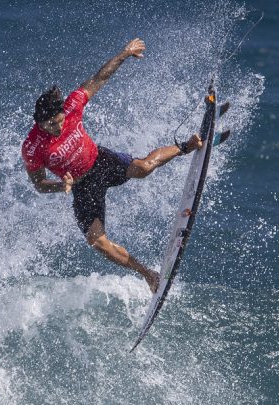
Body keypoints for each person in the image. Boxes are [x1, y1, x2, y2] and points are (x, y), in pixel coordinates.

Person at [21, 38, 202, 293]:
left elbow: (99, 78)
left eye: (60, 121)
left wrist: (125, 53)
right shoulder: (32, 147)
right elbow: (39, 184)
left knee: (145, 168)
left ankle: (186, 146)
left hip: (100, 162)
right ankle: (148, 274)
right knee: (98, 242)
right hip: (83, 187)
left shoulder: (71, 107)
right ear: (39, 122)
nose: (59, 128)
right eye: (52, 125)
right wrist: (61, 185)